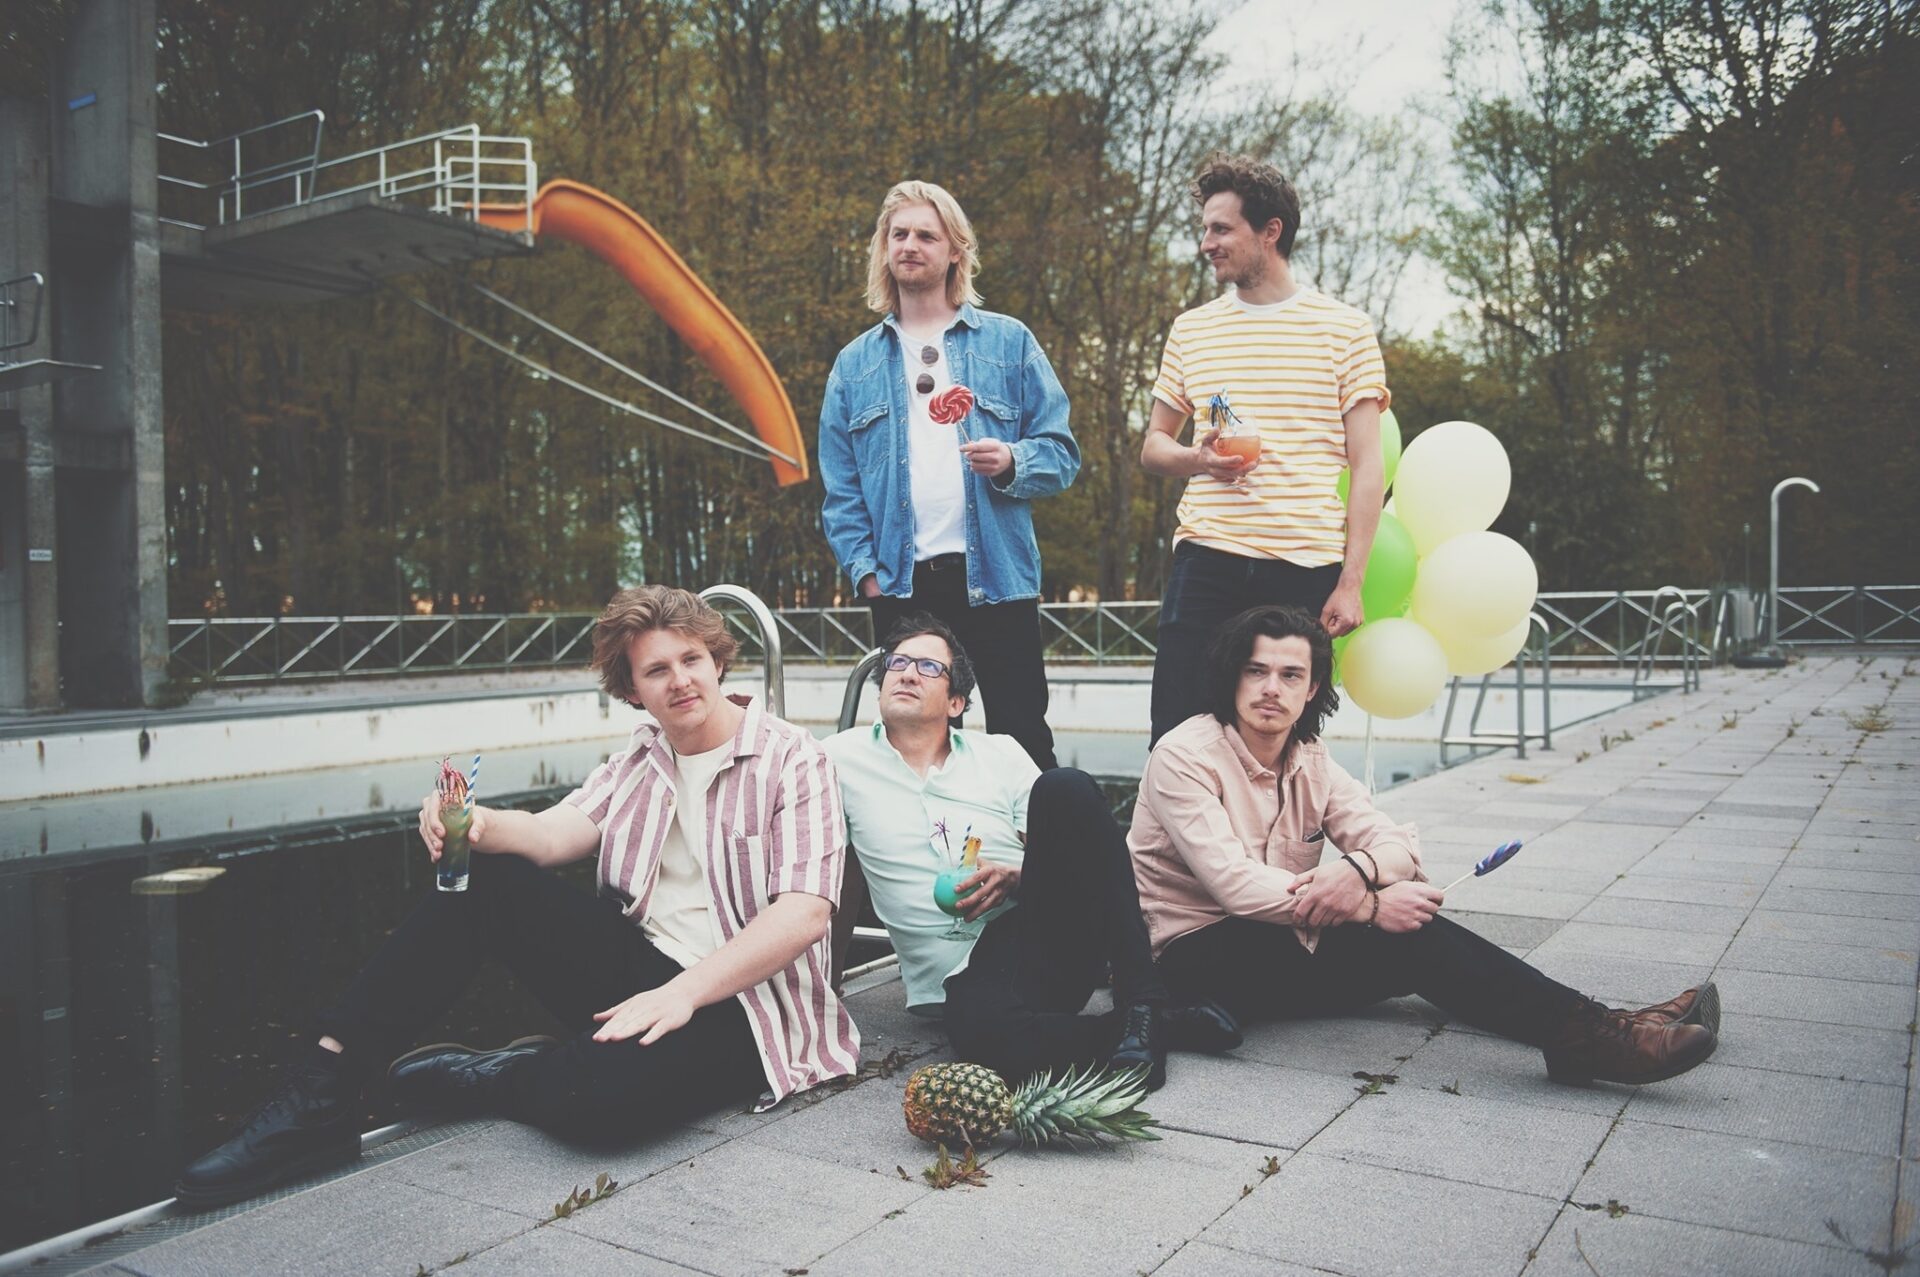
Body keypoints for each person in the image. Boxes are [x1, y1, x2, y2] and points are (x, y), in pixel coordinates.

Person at [175, 586, 858, 1208]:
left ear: (718, 661)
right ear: (632, 690)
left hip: (748, 1009)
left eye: (691, 659)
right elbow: (554, 832)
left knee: (601, 1106)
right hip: (645, 972)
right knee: (485, 878)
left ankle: (501, 1074)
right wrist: (474, 823)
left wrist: (682, 993)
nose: (680, 680)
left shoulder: (794, 759)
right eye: (657, 670)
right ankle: (322, 1091)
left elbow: (803, 914)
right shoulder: (641, 757)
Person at [1128, 604, 1721, 1087]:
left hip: (1275, 939)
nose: (1270, 689)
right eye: (1256, 671)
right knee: (1410, 939)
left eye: (1290, 676)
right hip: (1189, 952)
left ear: (1312, 690)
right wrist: (1370, 907)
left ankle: (1604, 1027)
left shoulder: (1310, 759)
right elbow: (1235, 886)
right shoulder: (1184, 756)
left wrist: (1357, 871)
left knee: (1416, 937)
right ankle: (1595, 1036)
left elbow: (1396, 847)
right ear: (1231, 677)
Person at [824, 613, 1239, 1090]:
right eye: (897, 663)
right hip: (959, 987)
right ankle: (1152, 1029)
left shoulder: (1000, 754)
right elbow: (833, 877)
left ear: (956, 702)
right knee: (981, 1036)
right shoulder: (836, 759)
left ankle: (1142, 1002)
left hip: (1040, 938)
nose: (908, 674)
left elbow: (1065, 856)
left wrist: (1016, 876)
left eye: (929, 667)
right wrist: (823, 987)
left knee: (1065, 788)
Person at [819, 179, 1080, 771]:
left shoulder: (1009, 343)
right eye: (899, 234)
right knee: (919, 745)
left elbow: (1061, 453)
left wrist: (1012, 461)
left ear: (955, 250)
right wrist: (866, 575)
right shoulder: (854, 364)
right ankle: (934, 837)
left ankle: (1032, 836)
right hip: (903, 586)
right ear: (884, 247)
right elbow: (840, 489)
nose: (910, 245)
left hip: (998, 577)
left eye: (926, 236)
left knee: (1023, 743)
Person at [1140, 152, 1389, 746]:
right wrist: (1198, 459)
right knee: (1176, 735)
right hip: (1207, 558)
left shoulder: (1346, 329)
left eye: (1220, 229)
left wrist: (1351, 583)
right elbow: (1153, 446)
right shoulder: (1192, 329)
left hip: (1304, 567)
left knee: (1282, 741)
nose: (1206, 244)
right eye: (1205, 229)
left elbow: (1368, 466)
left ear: (1270, 231)